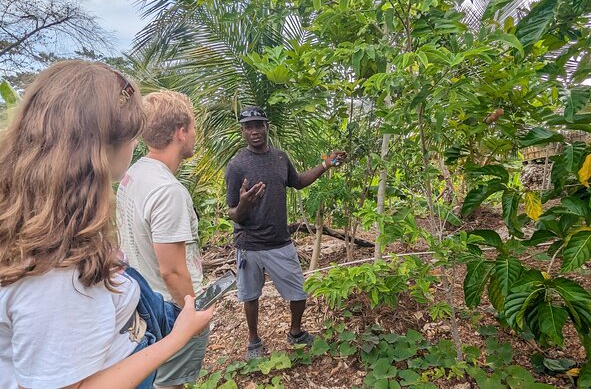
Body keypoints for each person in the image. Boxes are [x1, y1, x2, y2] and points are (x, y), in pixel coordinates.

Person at [0, 60, 213, 389]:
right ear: (105, 148)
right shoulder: (55, 268)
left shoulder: (52, 220)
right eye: (131, 135)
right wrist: (178, 336)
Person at [225, 106, 346, 360]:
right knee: (250, 295)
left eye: (259, 125)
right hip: (249, 243)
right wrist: (244, 205)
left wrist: (326, 164)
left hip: (279, 241)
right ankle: (253, 341)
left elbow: (298, 181)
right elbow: (233, 212)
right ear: (243, 131)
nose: (255, 131)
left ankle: (296, 332)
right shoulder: (237, 166)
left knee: (299, 292)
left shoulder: (280, 158)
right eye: (249, 127)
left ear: (267, 127)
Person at [116, 90, 208, 389]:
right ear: (181, 132)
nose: (196, 133)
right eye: (193, 126)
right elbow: (172, 271)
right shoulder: (168, 191)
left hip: (142, 302)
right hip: (169, 308)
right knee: (170, 384)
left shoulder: (133, 173)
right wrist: (189, 318)